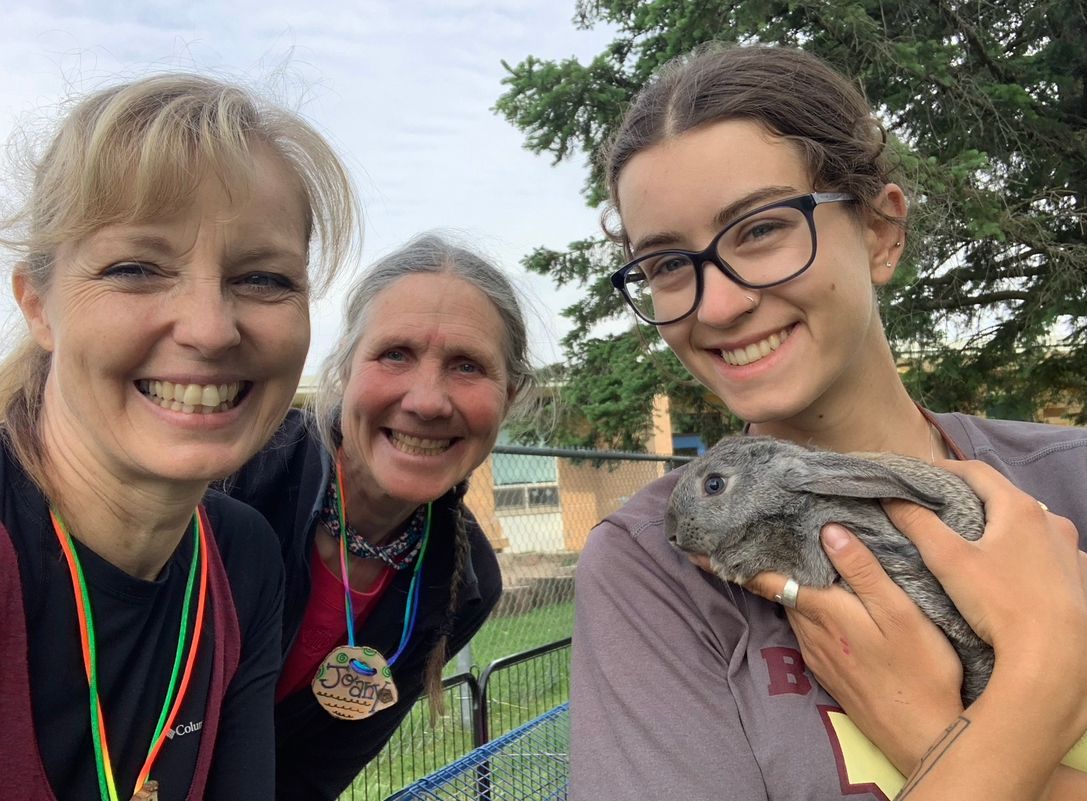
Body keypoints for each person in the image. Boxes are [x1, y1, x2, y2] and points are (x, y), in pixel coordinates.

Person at [570, 44, 1087, 801]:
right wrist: (1038, 677)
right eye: (666, 266)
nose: (716, 305)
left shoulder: (1069, 478)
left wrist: (941, 744)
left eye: (758, 229)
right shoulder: (656, 569)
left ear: (880, 230)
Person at [0, 73, 356, 801]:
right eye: (135, 268)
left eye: (263, 278)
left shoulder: (241, 557)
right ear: (39, 304)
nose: (209, 328)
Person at [227, 232, 536, 800]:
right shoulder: (238, 472)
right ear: (346, 366)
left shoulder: (463, 584)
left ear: (509, 397)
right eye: (395, 354)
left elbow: (311, 776)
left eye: (468, 366)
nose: (427, 400)